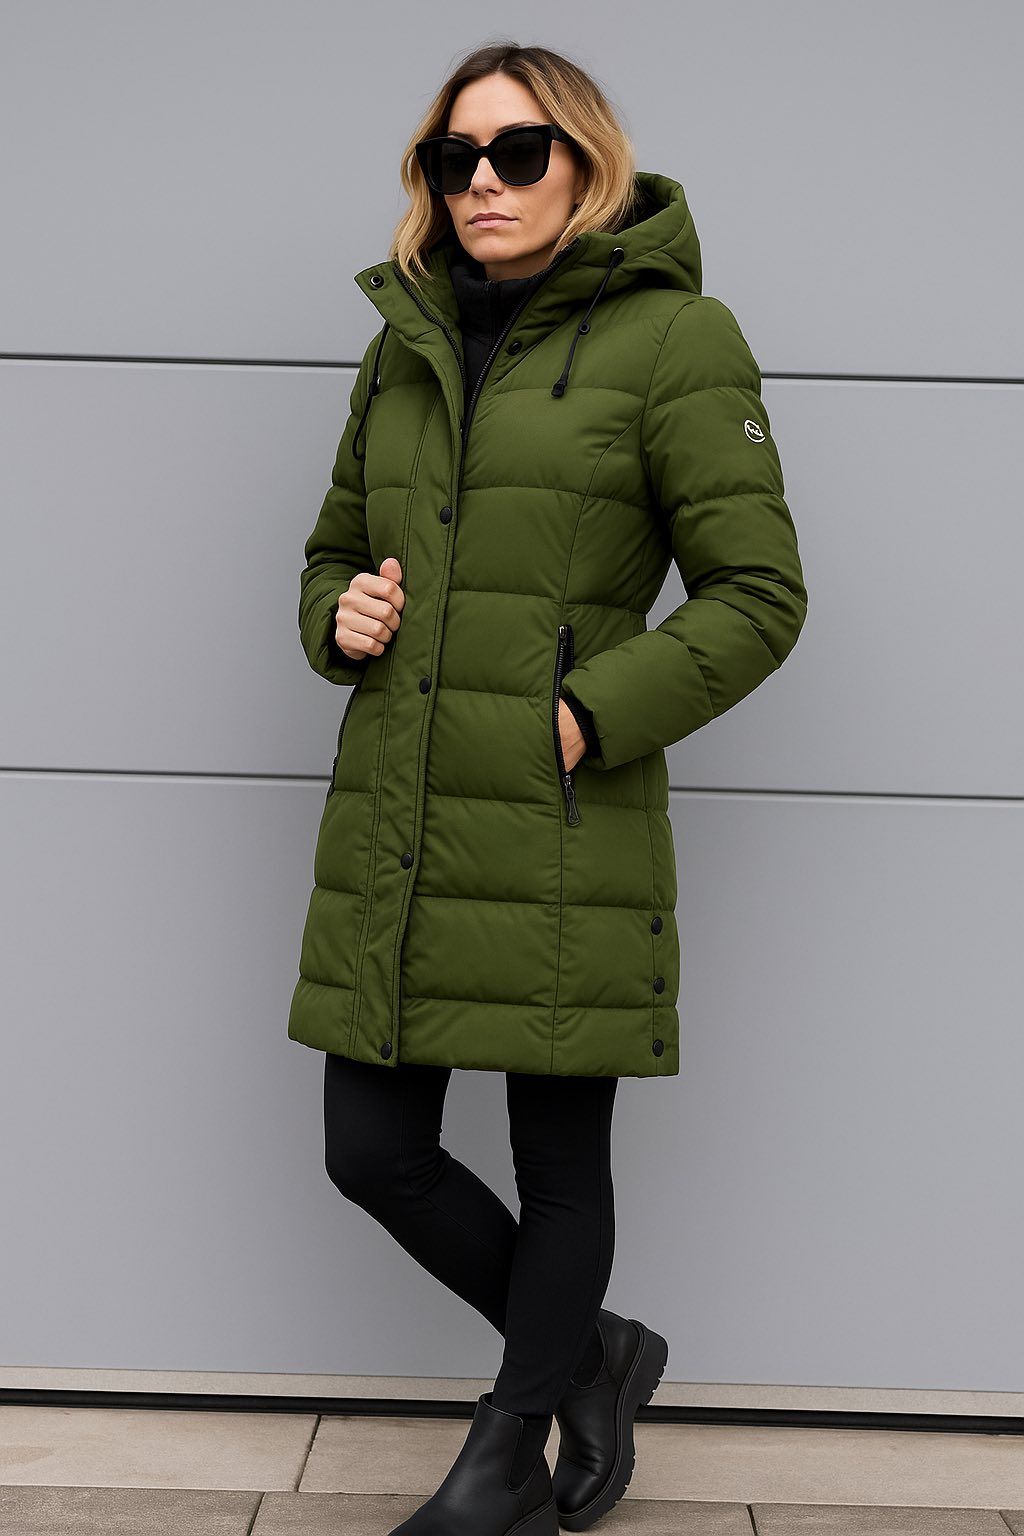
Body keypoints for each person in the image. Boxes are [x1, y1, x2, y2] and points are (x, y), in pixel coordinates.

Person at [289, 39, 807, 1536]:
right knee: (372, 1151)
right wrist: (337, 620)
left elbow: (760, 592)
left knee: (557, 1157)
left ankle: (506, 1453)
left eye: (519, 152)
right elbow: (333, 551)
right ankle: (593, 1355)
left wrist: (590, 710)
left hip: (561, 816)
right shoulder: (402, 343)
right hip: (399, 814)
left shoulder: (678, 338)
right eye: (456, 157)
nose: (485, 183)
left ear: (586, 162)